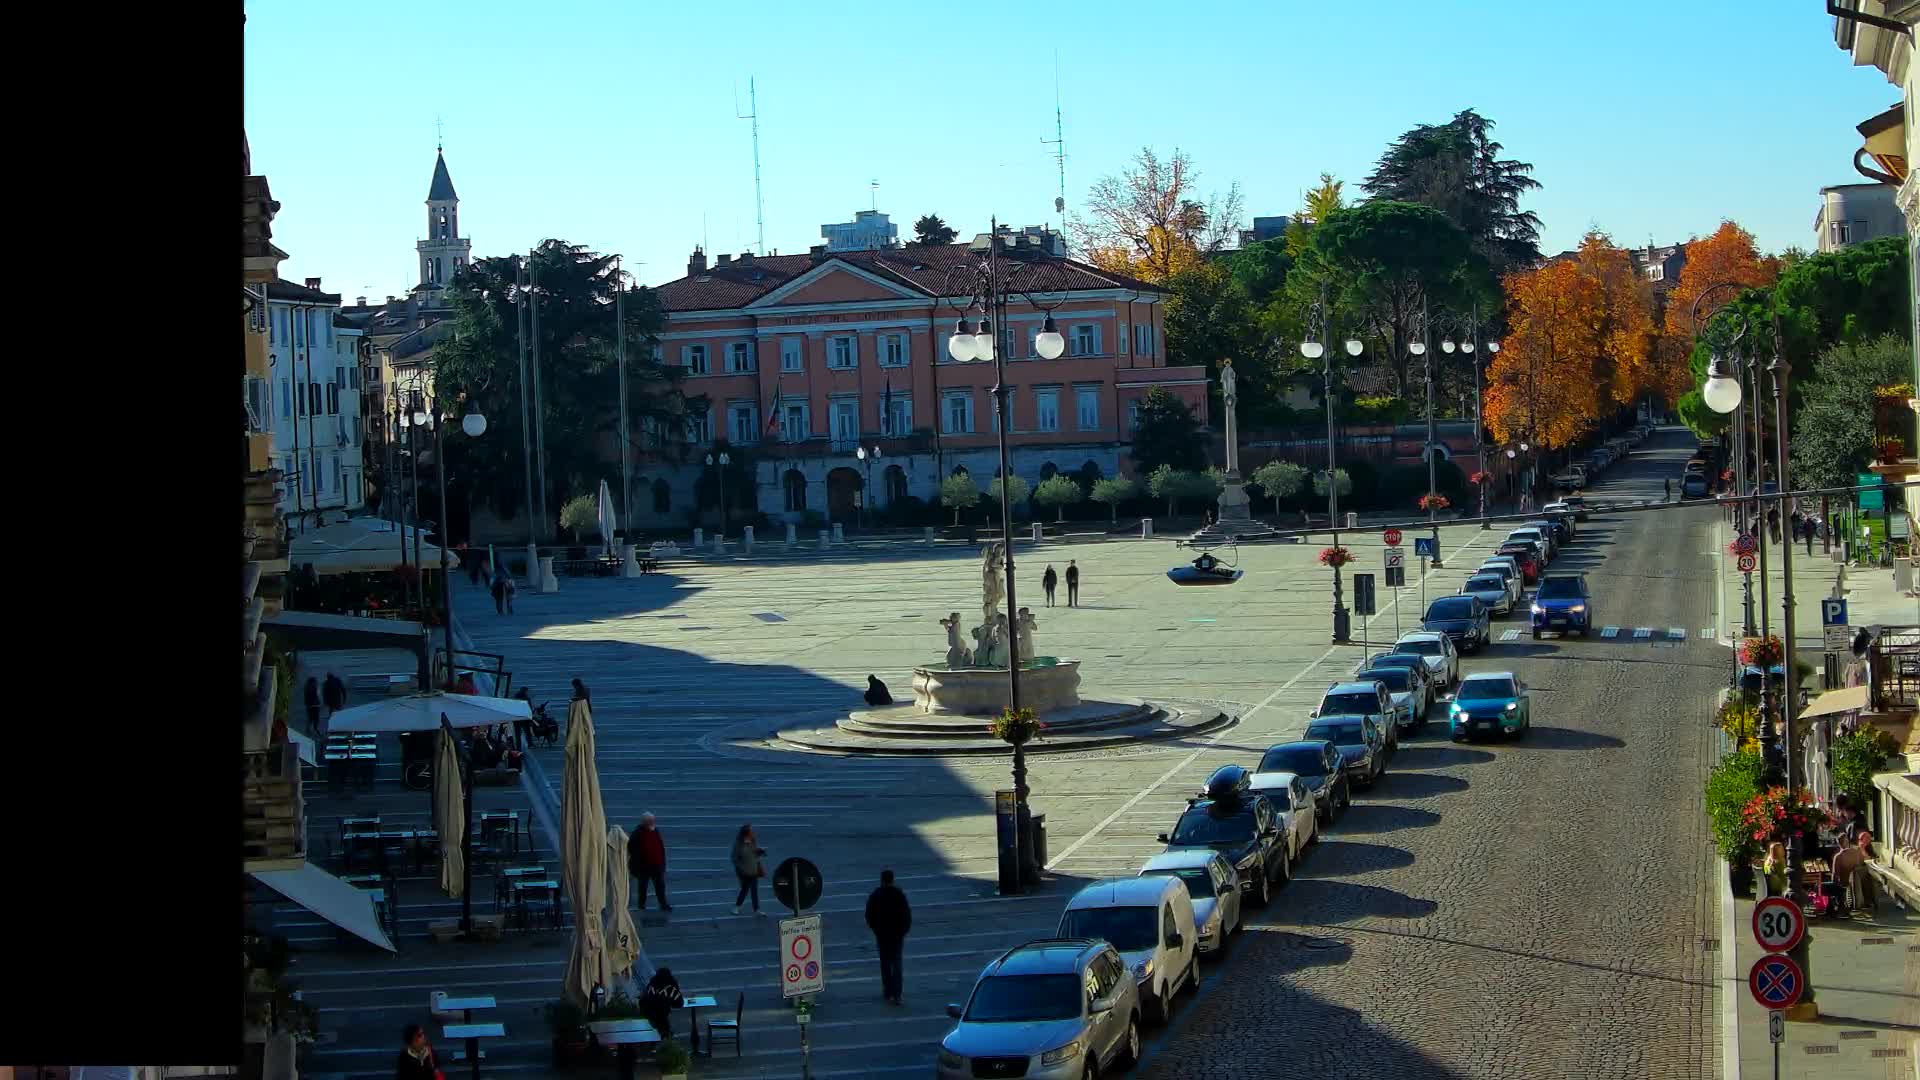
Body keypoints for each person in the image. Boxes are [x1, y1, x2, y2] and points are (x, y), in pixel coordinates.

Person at [864, 869, 913, 1005]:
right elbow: (907, 915)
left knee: (885, 963)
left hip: (882, 935)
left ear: (882, 880)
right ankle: (897, 994)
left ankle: (888, 992)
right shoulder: (899, 894)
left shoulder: (876, 895)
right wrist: (903, 931)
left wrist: (876, 930)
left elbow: (869, 915)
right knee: (897, 963)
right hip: (897, 935)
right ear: (892, 880)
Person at [629, 812, 670, 912]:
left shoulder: (655, 830)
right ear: (644, 822)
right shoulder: (638, 833)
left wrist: (662, 864)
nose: (653, 822)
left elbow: (660, 847)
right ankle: (641, 905)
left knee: (660, 886)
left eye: (653, 820)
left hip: (656, 865)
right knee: (643, 887)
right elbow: (631, 848)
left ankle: (663, 904)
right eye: (650, 821)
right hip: (644, 866)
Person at [1831, 831, 1880, 914]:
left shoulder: (1838, 856)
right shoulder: (1855, 852)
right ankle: (1868, 901)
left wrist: (1833, 884)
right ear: (1847, 842)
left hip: (1845, 882)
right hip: (1858, 880)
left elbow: (1835, 874)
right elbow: (1861, 863)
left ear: (1838, 843)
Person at [730, 824, 766, 916]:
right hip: (745, 871)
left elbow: (754, 853)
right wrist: (740, 868)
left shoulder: (752, 841)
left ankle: (756, 909)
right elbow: (734, 858)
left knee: (754, 890)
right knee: (745, 890)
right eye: (751, 831)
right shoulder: (739, 844)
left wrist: (760, 852)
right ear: (746, 833)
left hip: (753, 869)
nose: (753, 832)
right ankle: (737, 907)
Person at [638, 967, 684, 1038]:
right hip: (659, 1015)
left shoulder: (652, 985)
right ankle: (665, 1037)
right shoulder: (670, 988)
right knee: (662, 1024)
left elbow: (643, 1000)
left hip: (649, 1014)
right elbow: (679, 1003)